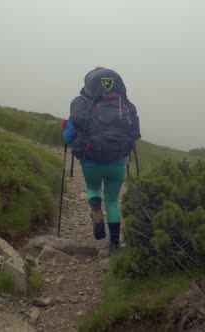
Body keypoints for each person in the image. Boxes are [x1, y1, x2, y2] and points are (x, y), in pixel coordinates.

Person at [62, 67, 140, 254]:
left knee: (94, 189)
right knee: (112, 201)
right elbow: (134, 134)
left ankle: (96, 211)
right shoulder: (126, 105)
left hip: (91, 162)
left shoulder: (81, 105)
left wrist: (66, 128)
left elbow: (67, 137)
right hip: (117, 162)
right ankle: (114, 245)